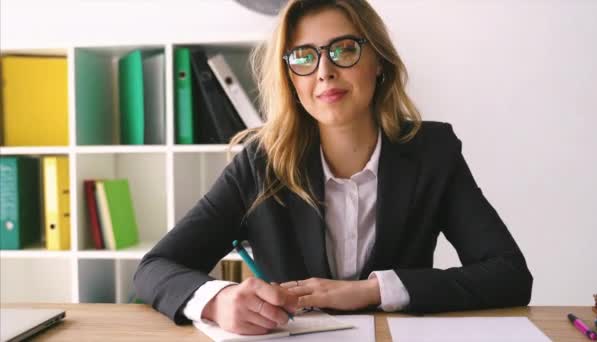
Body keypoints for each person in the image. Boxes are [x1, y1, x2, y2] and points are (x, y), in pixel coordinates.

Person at [134, 0, 533, 335]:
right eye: (304, 57)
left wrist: (371, 290)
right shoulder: (260, 162)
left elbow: (509, 274)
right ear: (291, 78)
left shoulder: (433, 152)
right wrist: (217, 300)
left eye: (343, 49)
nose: (324, 71)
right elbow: (156, 268)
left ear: (378, 61)